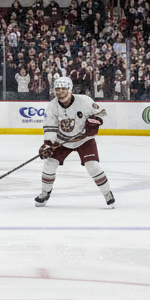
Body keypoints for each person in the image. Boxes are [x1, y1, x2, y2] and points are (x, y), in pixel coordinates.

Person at [36, 76, 114, 208]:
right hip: (62, 140)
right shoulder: (52, 106)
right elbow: (50, 127)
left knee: (93, 165)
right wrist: (49, 143)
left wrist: (94, 123)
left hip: (84, 139)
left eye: (63, 89)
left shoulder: (84, 101)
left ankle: (107, 193)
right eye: (57, 89)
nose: (60, 92)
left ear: (70, 89)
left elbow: (100, 115)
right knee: (49, 164)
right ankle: (45, 193)